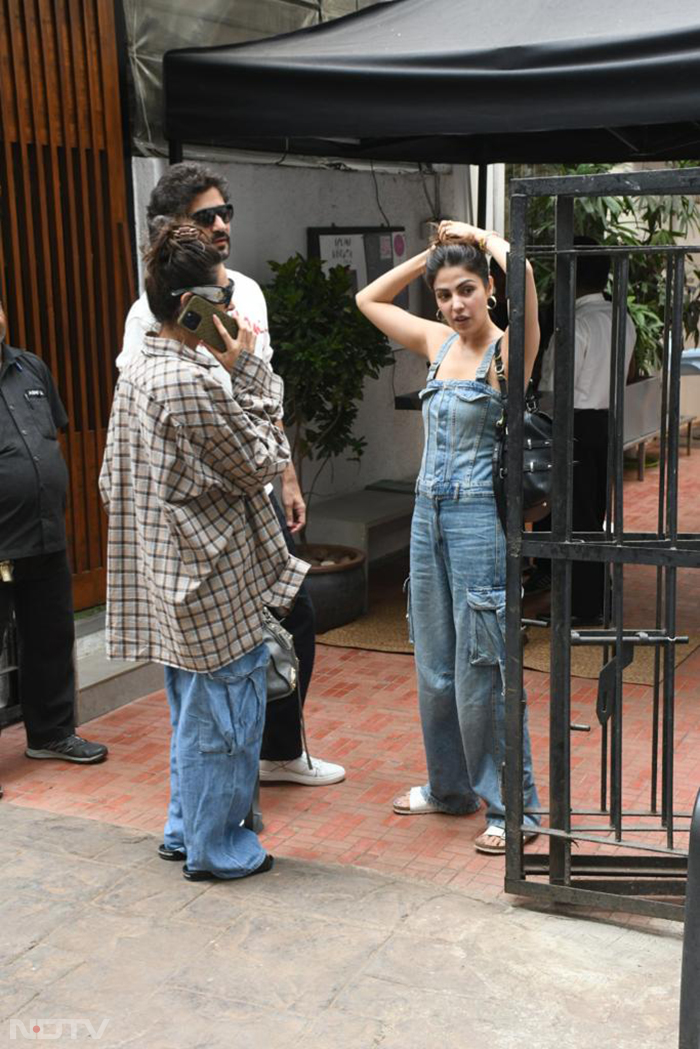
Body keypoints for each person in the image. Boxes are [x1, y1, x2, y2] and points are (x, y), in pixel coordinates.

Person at [118, 162, 344, 787]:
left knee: (290, 613)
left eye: (225, 213)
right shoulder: (152, 318)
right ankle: (223, 788)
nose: (220, 225)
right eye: (204, 217)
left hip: (255, 476)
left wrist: (287, 477)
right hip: (211, 500)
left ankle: (275, 753)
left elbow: (265, 394)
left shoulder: (243, 288)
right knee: (220, 660)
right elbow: (153, 421)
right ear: (171, 233)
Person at [100, 220, 308, 879]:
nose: (236, 311)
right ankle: (215, 848)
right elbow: (259, 461)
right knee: (224, 718)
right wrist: (249, 365)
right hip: (212, 577)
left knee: (195, 711)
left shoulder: (138, 370)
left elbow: (112, 478)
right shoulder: (190, 380)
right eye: (224, 297)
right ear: (195, 306)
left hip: (171, 576)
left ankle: (185, 828)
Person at [356, 222, 540, 855]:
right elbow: (368, 301)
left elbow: (531, 276)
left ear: (490, 289)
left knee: (479, 667)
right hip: (425, 515)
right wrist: (426, 261)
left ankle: (515, 809)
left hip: (475, 524)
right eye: (444, 295)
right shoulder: (437, 342)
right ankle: (448, 789)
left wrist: (480, 236)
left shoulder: (508, 352)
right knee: (434, 668)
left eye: (467, 290)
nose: (456, 305)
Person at [0, 296, 108, 768]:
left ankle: (52, 733)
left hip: (45, 532)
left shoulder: (31, 368)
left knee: (51, 636)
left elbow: (50, 439)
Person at [532, 237, 636, 622]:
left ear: (570, 276)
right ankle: (591, 600)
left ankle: (586, 608)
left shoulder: (574, 326)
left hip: (571, 424)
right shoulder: (621, 317)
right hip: (606, 422)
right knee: (592, 513)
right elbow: (627, 375)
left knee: (574, 521)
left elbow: (551, 393)